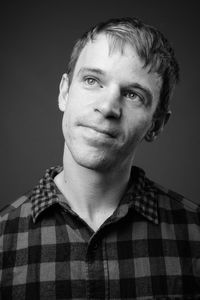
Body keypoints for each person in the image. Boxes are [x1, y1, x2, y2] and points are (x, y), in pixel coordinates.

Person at [0, 17, 200, 299]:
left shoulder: (194, 235)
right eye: (92, 80)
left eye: (133, 94)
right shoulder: (3, 238)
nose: (108, 107)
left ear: (156, 125)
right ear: (64, 92)